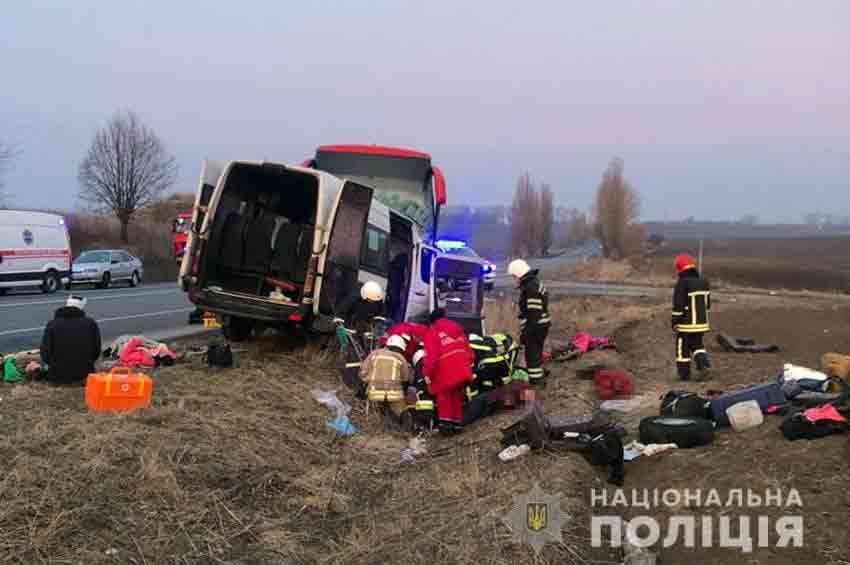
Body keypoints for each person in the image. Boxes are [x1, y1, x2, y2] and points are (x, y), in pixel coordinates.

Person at [422, 308, 475, 434]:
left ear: (432, 321)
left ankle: (446, 427)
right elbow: (470, 354)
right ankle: (457, 425)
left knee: (444, 396)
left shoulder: (433, 332)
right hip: (463, 369)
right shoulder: (458, 330)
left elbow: (431, 357)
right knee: (456, 396)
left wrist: (427, 373)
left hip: (447, 370)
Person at [40, 295, 102, 386]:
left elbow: (45, 353)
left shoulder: (52, 324)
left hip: (57, 377)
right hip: (84, 375)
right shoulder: (91, 323)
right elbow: (96, 351)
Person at [507, 259, 551, 386]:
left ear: (519, 274)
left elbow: (533, 314)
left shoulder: (531, 287)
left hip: (536, 326)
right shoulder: (533, 283)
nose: (514, 279)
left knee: (532, 355)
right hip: (540, 325)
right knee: (536, 352)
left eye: (514, 276)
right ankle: (538, 376)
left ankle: (536, 382)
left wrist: (526, 333)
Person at [672, 254, 711, 381]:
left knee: (682, 346)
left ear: (680, 268)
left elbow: (678, 305)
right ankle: (703, 366)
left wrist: (675, 321)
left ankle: (684, 374)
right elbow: (708, 304)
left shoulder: (682, 283)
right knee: (697, 345)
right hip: (702, 323)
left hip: (686, 324)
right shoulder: (704, 281)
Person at [359, 334, 411, 418]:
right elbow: (405, 379)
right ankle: (402, 419)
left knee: (374, 403)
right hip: (394, 394)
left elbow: (363, 372)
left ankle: (375, 416)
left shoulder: (374, 353)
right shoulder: (401, 358)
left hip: (374, 391)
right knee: (400, 407)